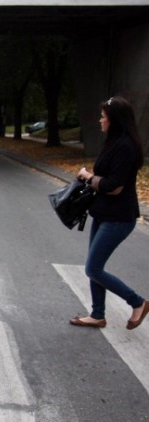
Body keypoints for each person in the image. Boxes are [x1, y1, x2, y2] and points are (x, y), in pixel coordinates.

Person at [70, 96, 148, 330]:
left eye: (104, 117)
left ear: (114, 120)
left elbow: (114, 187)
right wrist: (94, 176)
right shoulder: (114, 142)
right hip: (104, 213)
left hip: (119, 217)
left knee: (93, 268)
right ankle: (97, 315)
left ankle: (138, 303)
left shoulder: (125, 147)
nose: (100, 121)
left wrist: (87, 177)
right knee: (96, 265)